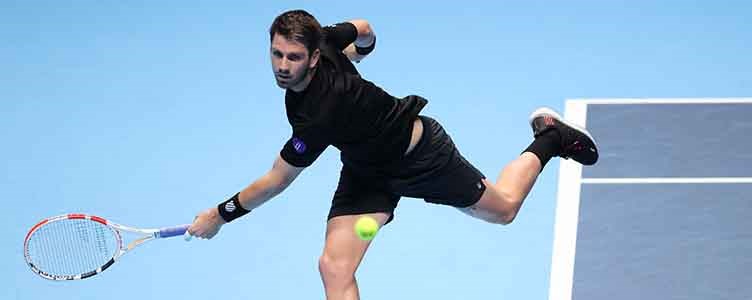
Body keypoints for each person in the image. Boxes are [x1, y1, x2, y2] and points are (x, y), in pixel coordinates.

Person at [187, 9, 598, 300]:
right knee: (334, 267)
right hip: (367, 171)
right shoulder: (327, 40)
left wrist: (218, 216)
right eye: (276, 54)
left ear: (313, 57)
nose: (282, 65)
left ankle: (550, 137)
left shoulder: (319, 115)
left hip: (421, 157)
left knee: (504, 209)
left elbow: (276, 180)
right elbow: (364, 28)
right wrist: (360, 54)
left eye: (293, 58)